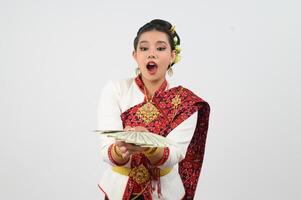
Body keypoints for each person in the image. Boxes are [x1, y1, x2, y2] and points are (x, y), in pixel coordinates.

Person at [97, 19, 210, 200]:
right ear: (135, 55)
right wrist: (120, 149)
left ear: (172, 56)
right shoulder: (116, 90)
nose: (151, 54)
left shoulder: (185, 102)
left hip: (164, 193)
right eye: (144, 48)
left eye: (160, 48)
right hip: (118, 191)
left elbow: (175, 154)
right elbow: (105, 150)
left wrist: (148, 144)